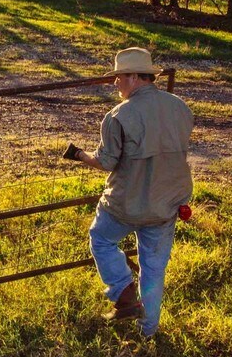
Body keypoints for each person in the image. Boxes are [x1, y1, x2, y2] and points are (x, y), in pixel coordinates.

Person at [64, 47, 193, 337]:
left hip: (126, 204)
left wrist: (80, 155)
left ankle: (123, 293)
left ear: (134, 77)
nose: (115, 83)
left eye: (119, 77)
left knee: (101, 239)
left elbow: (107, 162)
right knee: (154, 269)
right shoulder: (180, 108)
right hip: (166, 205)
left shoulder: (118, 116)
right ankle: (148, 331)